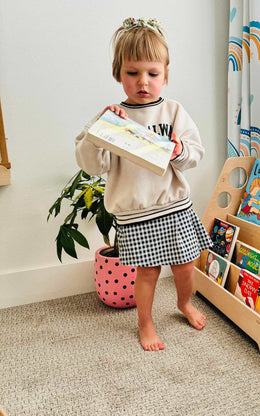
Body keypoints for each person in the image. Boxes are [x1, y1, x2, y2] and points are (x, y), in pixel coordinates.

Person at [75, 17, 213, 352]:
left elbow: (195, 153)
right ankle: (145, 322)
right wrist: (101, 135)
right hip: (137, 214)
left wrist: (180, 150)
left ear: (165, 74)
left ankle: (184, 303)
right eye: (132, 73)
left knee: (185, 267)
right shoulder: (110, 119)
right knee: (148, 273)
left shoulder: (173, 110)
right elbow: (90, 163)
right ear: (118, 73)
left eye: (152, 74)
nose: (143, 82)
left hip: (175, 207)